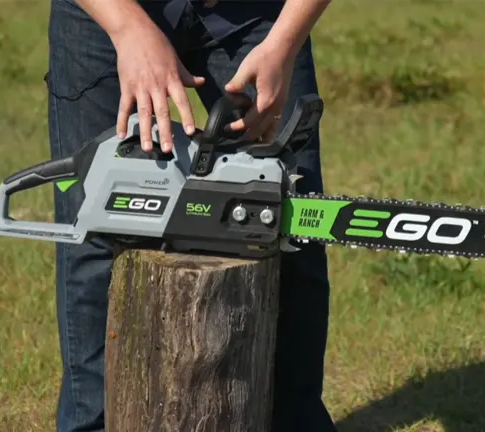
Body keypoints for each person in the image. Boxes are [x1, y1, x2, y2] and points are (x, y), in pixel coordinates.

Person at [45, 0, 336, 430]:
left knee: (289, 222)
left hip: (256, 13)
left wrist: (285, 42)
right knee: (95, 233)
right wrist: (128, 28)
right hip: (108, 12)